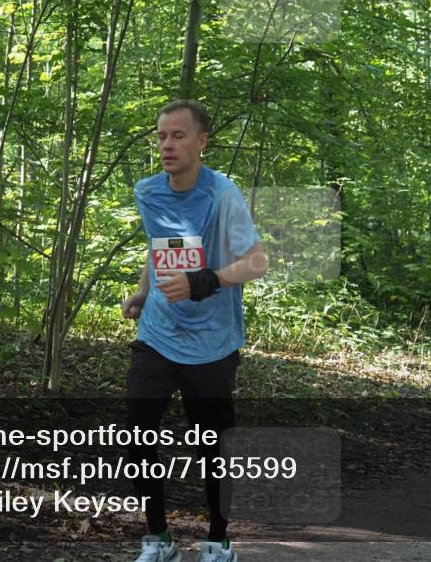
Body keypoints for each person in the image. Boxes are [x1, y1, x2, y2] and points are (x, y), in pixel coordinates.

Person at [121, 100, 267, 562]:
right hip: (159, 333)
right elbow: (158, 246)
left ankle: (218, 542)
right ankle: (159, 540)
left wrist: (205, 281)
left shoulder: (223, 194)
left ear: (202, 142)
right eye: (162, 136)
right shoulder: (148, 191)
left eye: (178, 136)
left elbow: (256, 263)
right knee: (138, 431)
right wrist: (144, 292)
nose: (167, 144)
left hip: (211, 343)